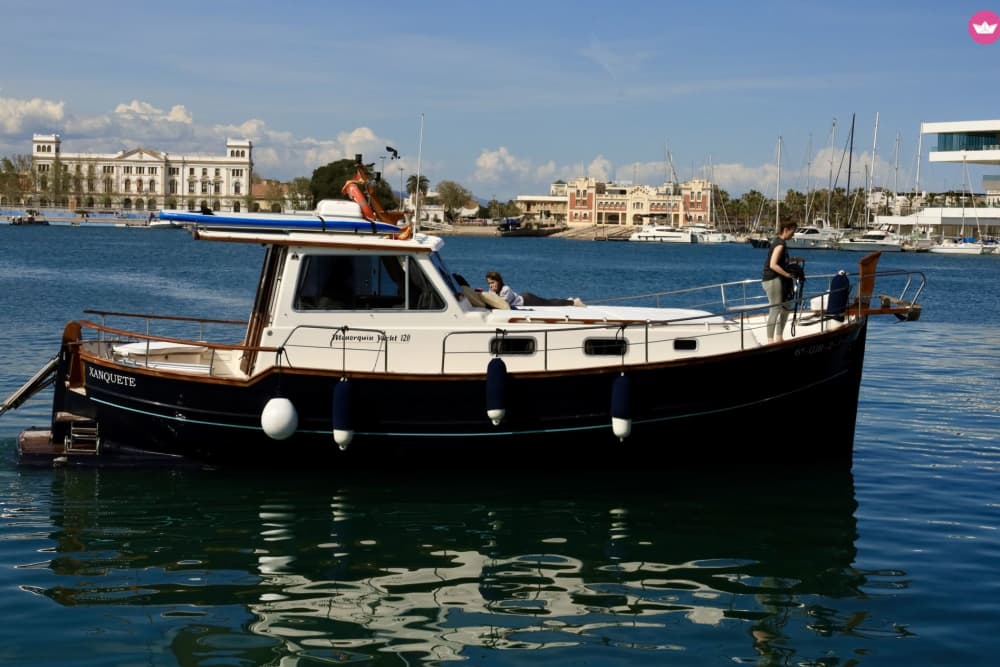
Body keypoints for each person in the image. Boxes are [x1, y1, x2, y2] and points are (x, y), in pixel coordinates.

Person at [761, 220, 802, 344]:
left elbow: (780, 261)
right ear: (786, 230)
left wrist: (794, 260)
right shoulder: (779, 244)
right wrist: (787, 275)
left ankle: (779, 337)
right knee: (775, 309)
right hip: (772, 279)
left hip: (779, 279)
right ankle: (770, 341)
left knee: (786, 307)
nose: (793, 235)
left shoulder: (781, 243)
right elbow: (773, 264)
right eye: (792, 232)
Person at [485, 271, 583, 308]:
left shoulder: (506, 289)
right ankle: (568, 300)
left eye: (493, 282)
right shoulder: (493, 291)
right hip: (524, 298)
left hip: (528, 300)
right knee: (548, 302)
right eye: (489, 283)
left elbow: (501, 305)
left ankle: (573, 302)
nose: (491, 285)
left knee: (549, 303)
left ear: (499, 281)